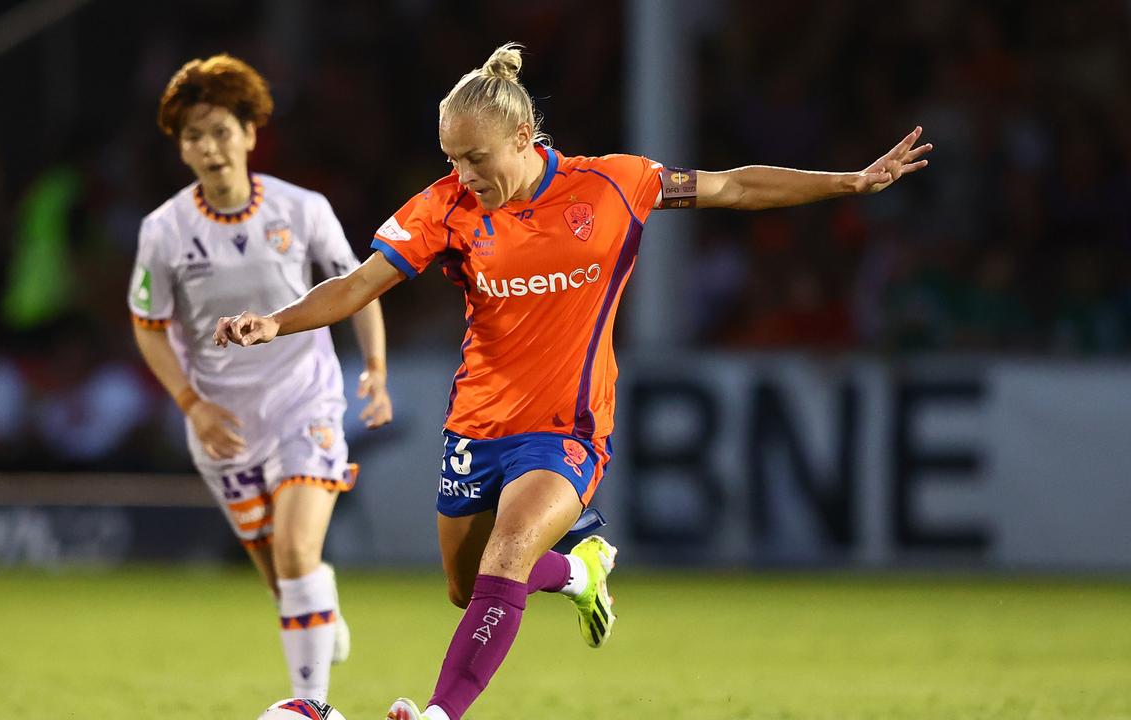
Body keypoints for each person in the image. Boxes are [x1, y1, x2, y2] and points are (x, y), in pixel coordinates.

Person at [214, 43, 931, 720]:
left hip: (566, 430)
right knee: (471, 591)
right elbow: (361, 283)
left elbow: (733, 187)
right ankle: (582, 574)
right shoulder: (446, 207)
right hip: (476, 425)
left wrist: (852, 180)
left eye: (475, 157)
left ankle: (439, 713)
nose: (463, 175)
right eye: (452, 159)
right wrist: (275, 323)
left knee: (508, 552)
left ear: (524, 135)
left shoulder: (615, 184)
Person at [128, 54, 393, 703]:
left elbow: (360, 286)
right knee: (283, 578)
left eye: (222, 130)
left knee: (298, 550)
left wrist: (377, 369)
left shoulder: (302, 210)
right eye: (194, 136)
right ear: (181, 147)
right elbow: (149, 326)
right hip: (223, 426)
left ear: (250, 132)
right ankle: (316, 607)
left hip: (305, 403)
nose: (210, 147)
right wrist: (192, 405)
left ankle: (312, 706)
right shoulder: (163, 232)